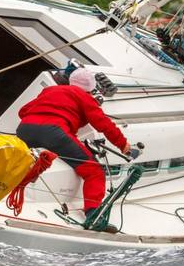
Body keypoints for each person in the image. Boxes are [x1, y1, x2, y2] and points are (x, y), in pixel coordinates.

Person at [16, 69, 131, 226]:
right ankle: (94, 216)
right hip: (55, 133)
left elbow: (22, 111)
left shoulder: (50, 90)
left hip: (25, 129)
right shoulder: (85, 97)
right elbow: (102, 123)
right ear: (91, 87)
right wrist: (123, 145)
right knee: (94, 171)